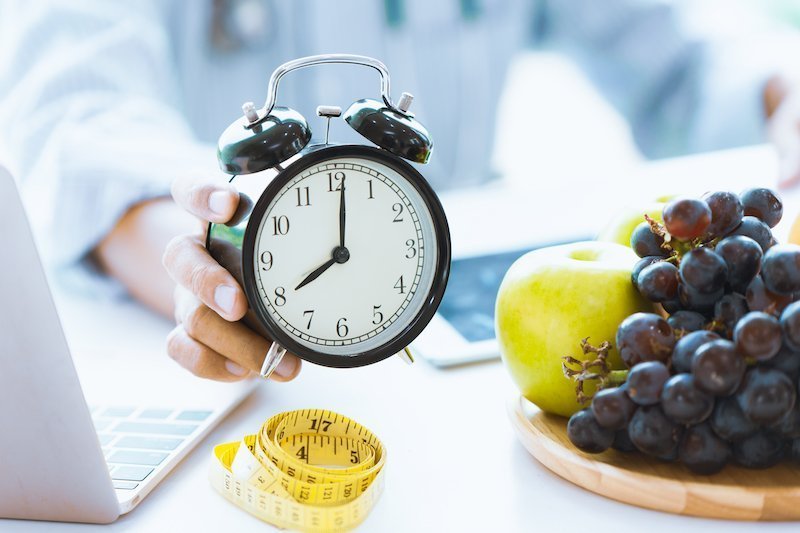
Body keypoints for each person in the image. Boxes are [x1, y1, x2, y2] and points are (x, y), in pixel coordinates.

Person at [1, 0, 800, 383]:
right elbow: (78, 126)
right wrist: (214, 268)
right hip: (257, 335)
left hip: (461, 337)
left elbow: (682, 65)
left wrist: (786, 90)